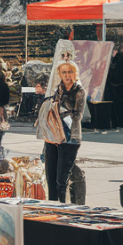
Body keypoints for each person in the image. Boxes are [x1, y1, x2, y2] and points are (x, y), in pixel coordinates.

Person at [38, 60, 85, 202]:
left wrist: (58, 113)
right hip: (52, 138)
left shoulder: (79, 91)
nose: (67, 75)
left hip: (70, 139)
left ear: (75, 74)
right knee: (50, 177)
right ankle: (52, 207)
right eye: (64, 72)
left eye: (70, 71)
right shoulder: (57, 90)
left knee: (61, 180)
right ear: (59, 74)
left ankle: (62, 208)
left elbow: (76, 116)